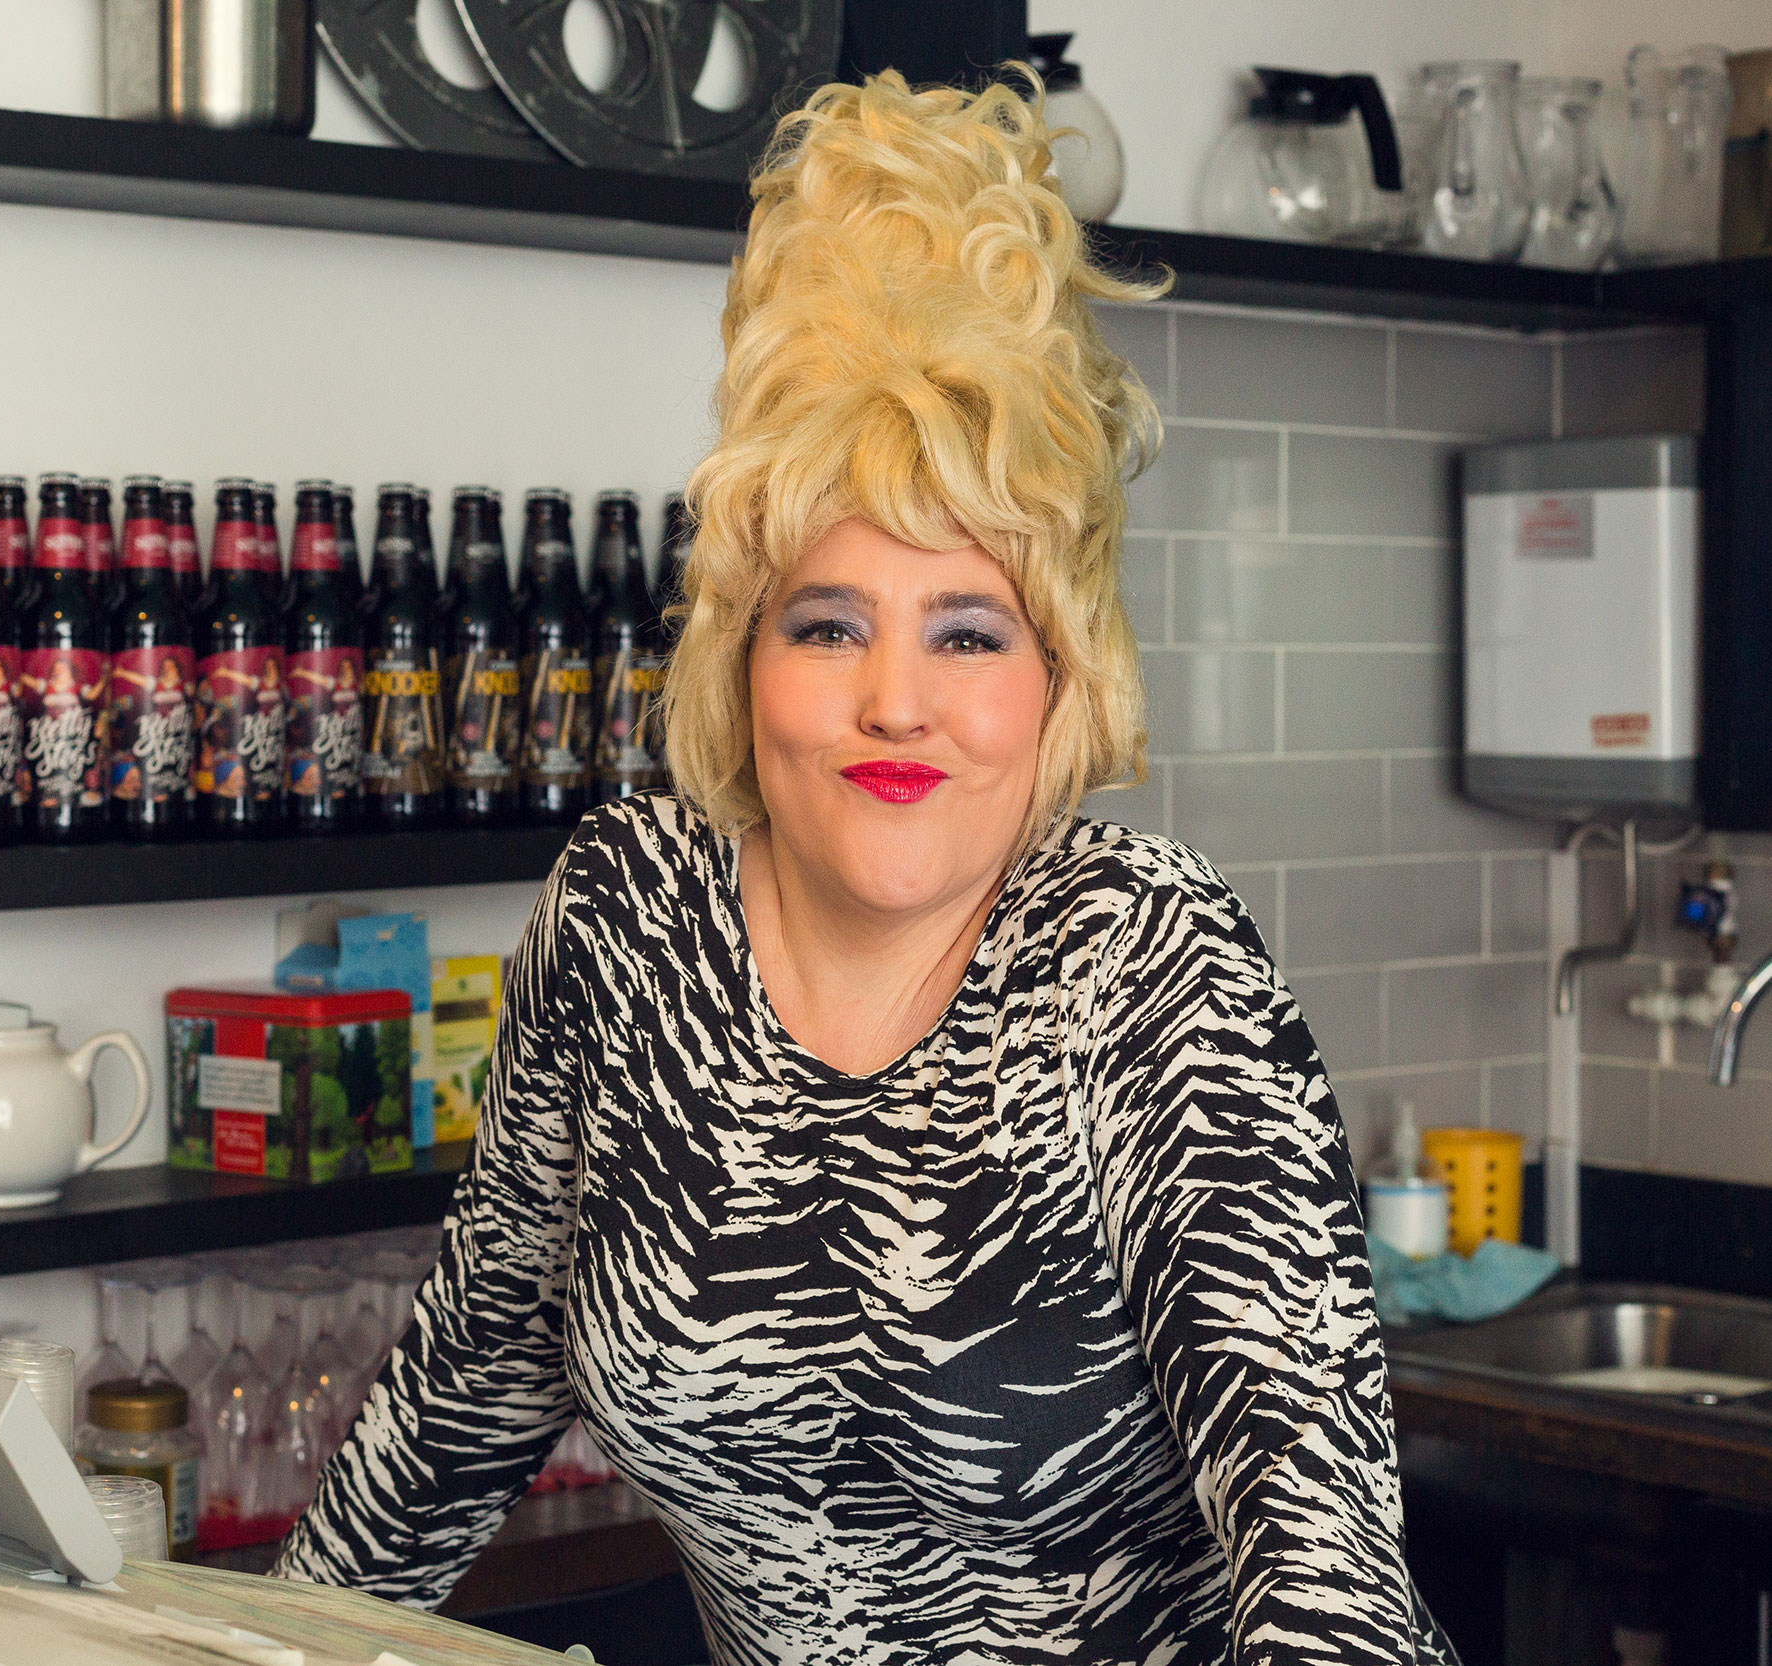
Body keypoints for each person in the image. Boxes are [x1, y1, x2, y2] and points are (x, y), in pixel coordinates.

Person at [273, 70, 1453, 1665]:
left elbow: (1329, 1581)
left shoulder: (1146, 965)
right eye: (830, 623)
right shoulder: (629, 918)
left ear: (1057, 683)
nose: (895, 697)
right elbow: (462, 1397)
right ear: (742, 660)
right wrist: (246, 1648)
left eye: (966, 631)